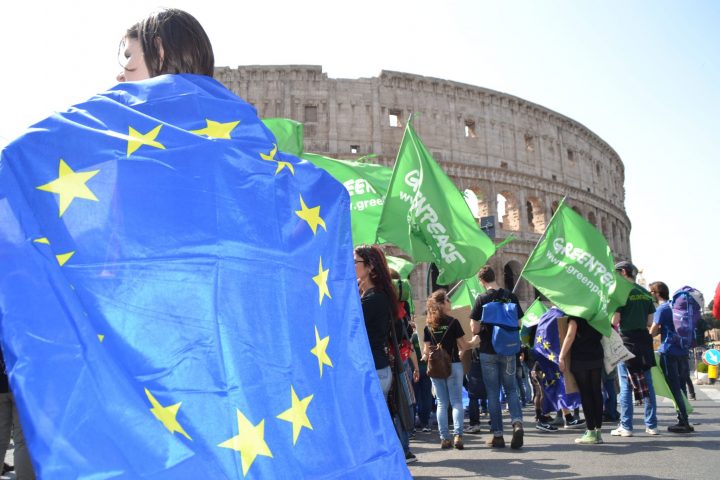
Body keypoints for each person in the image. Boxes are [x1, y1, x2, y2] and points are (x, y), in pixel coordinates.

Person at [354, 245, 418, 463]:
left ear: (370, 267)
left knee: (374, 428)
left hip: (373, 369)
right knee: (377, 424)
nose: (351, 266)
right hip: (377, 367)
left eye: (355, 262)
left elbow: (349, 325)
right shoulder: (375, 296)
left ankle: (389, 466)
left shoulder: (372, 299)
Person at [469, 266, 525, 449]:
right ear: (495, 277)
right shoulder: (510, 296)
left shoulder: (481, 298)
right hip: (508, 350)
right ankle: (517, 423)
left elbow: (474, 329)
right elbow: (519, 323)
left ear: (482, 281)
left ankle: (498, 436)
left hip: (488, 350)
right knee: (511, 389)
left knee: (493, 392)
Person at [423, 290, 480, 450]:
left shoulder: (428, 325)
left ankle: (444, 438)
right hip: (453, 364)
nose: (450, 302)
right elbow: (463, 346)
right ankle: (458, 436)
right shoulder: (453, 322)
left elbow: (426, 351)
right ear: (442, 304)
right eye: (448, 300)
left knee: (441, 403)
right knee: (456, 402)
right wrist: (475, 341)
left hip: (435, 367)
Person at [611, 261, 659, 437]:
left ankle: (626, 426)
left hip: (626, 341)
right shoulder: (645, 293)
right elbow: (649, 322)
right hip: (644, 341)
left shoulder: (621, 293)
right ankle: (652, 425)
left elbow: (615, 321)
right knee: (648, 383)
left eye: (617, 272)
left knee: (625, 385)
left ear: (624, 272)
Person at [117, 8, 214, 82]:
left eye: (128, 56)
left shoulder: (114, 102)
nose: (119, 77)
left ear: (157, 52)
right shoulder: (220, 101)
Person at [649, 281, 694, 433]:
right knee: (681, 386)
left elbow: (653, 331)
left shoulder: (661, 309)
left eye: (651, 292)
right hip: (683, 351)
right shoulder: (675, 306)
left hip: (668, 351)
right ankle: (684, 418)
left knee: (674, 387)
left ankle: (684, 422)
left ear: (656, 293)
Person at [559, 316, 605, 444]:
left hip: (581, 357)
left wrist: (561, 356)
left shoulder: (576, 315)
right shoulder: (597, 311)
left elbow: (570, 336)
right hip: (597, 355)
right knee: (597, 393)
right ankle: (598, 432)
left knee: (586, 394)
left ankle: (590, 431)